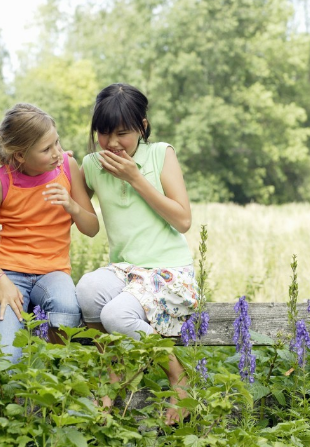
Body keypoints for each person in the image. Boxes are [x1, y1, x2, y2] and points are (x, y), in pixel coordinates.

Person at [76, 83, 200, 425]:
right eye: (103, 133)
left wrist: (136, 178)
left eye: (123, 133)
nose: (113, 143)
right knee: (85, 290)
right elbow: (85, 221)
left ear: (142, 127)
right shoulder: (91, 165)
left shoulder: (160, 154)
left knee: (116, 316)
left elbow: (183, 219)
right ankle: (114, 371)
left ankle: (179, 377)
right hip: (125, 271)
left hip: (168, 273)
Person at [0, 103, 99, 363]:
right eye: (46, 149)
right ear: (20, 155)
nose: (56, 153)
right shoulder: (0, 181)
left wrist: (72, 206)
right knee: (5, 359)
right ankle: (16, 387)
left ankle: (51, 375)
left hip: (53, 273)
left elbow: (92, 228)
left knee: (65, 309)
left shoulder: (66, 166)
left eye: (57, 143)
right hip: (9, 274)